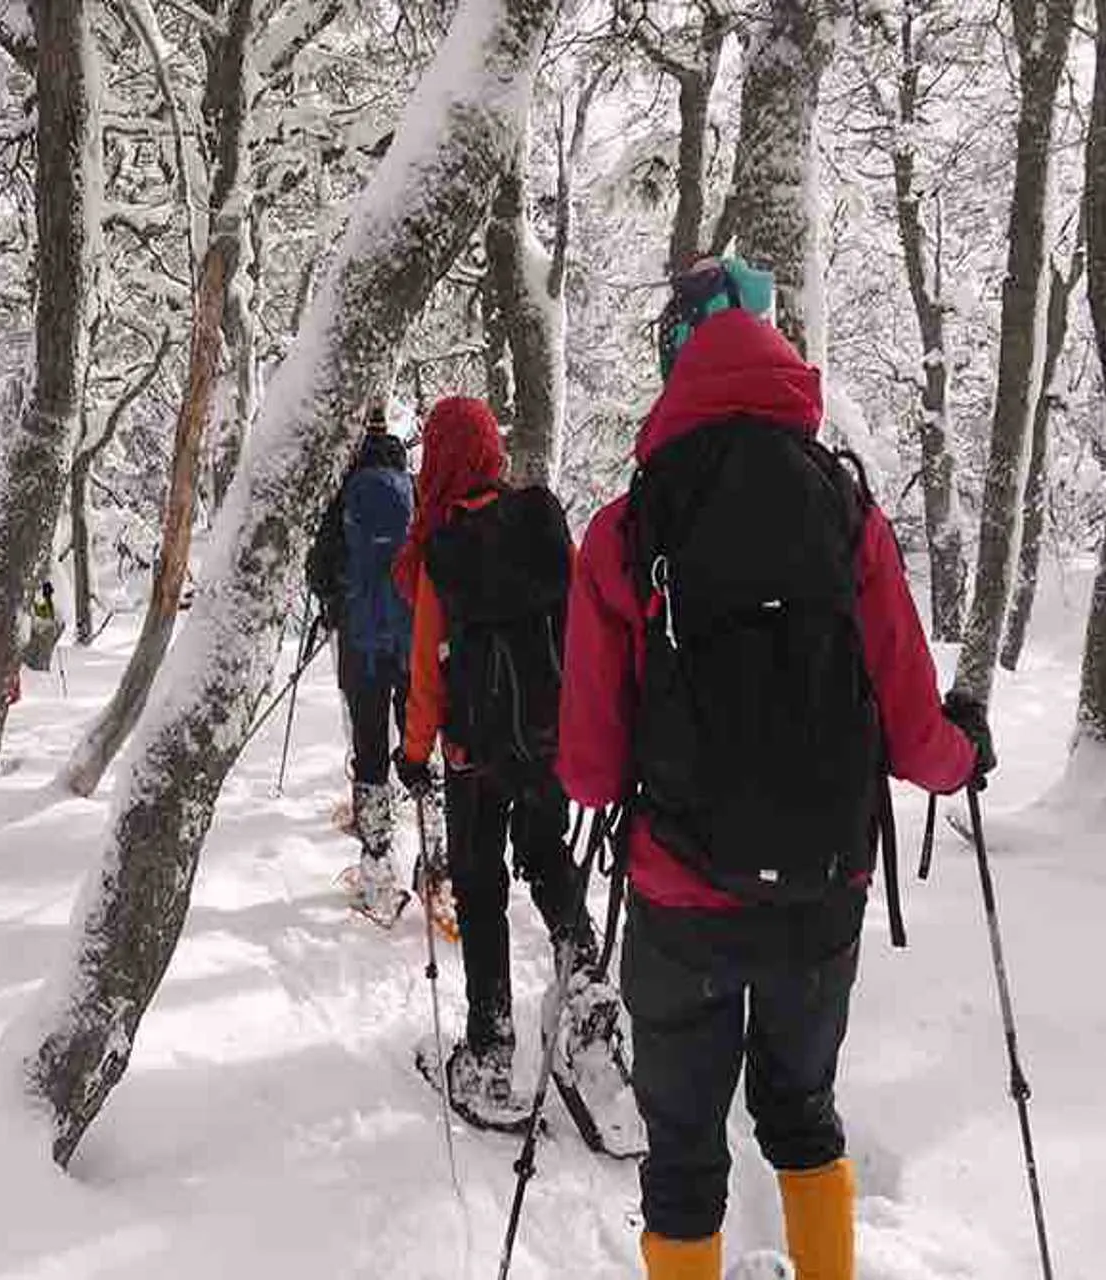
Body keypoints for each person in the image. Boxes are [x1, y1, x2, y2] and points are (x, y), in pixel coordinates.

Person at [556, 255, 995, 1280]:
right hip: (820, 891)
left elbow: (585, 769)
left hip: (679, 898)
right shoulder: (847, 513)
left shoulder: (629, 529)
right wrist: (965, 749)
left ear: (676, 361)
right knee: (801, 1114)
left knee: (683, 1157)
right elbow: (914, 726)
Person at [391, 395, 589, 1124]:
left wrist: (413, 755)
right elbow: (581, 629)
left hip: (474, 754)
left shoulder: (443, 548)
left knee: (480, 891)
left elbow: (426, 674)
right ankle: (589, 999)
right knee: (548, 858)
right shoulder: (541, 521)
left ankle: (490, 1046)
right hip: (550, 743)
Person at [306, 404, 414, 920]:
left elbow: (319, 570)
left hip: (362, 644)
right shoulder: (410, 483)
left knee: (370, 751)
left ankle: (376, 870)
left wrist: (333, 601)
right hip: (413, 639)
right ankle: (437, 860)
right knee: (419, 746)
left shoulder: (341, 486)